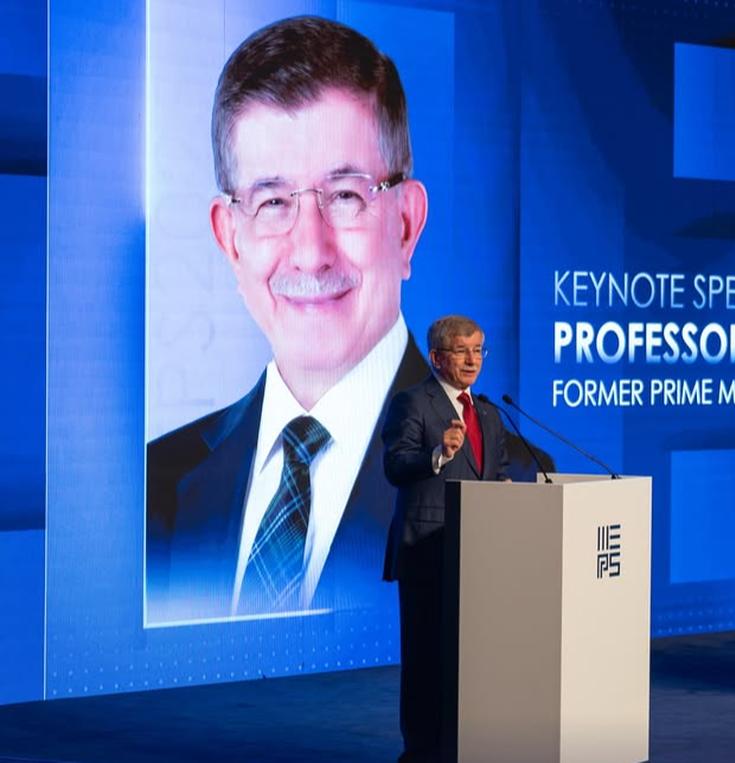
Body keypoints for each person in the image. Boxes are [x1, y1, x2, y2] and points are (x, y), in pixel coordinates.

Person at [145, 16, 430, 624]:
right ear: (231, 240)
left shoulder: (502, 486)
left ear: (405, 226)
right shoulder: (150, 488)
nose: (310, 250)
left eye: (347, 195)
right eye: (273, 202)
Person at [382, 314, 510, 763]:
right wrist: (438, 454)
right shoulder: (412, 403)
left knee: (468, 660)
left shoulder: (489, 412)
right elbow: (395, 466)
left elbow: (496, 474)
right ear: (437, 357)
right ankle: (421, 750)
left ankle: (463, 743)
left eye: (479, 350)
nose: (473, 360)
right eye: (462, 351)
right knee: (425, 657)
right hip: (427, 548)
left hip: (478, 553)